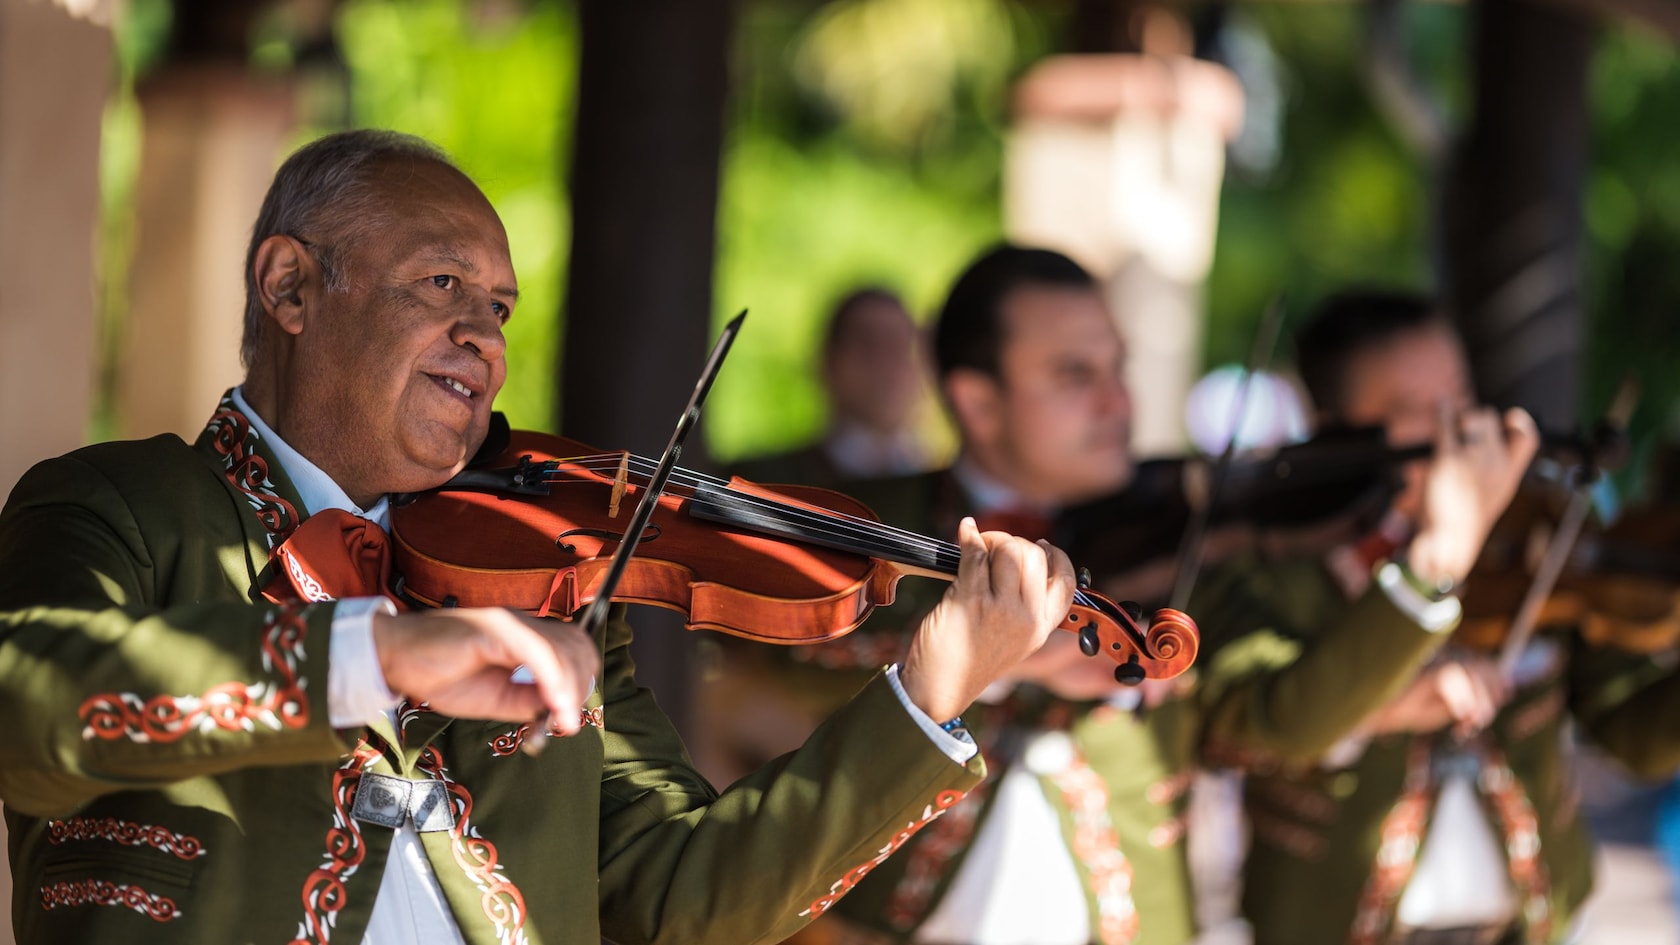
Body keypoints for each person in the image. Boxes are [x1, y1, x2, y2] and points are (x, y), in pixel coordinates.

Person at [0, 131, 1084, 945]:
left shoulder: (547, 591)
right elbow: (28, 707)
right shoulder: (121, 506)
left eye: (503, 308)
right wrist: (370, 657)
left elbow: (682, 898)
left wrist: (928, 693)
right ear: (290, 286)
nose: (486, 339)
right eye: (442, 286)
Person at [719, 246, 1537, 945]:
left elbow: (1284, 724)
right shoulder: (866, 521)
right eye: (1075, 375)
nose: (1118, 402)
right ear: (977, 400)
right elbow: (762, 665)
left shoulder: (1195, 539)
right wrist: (1005, 661)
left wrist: (1438, 556)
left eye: (1118, 367)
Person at [1215, 289, 1680, 945]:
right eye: (1413, 412)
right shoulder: (1276, 568)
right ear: (1334, 427)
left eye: (1460, 400)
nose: (1455, 432)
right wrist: (1440, 554)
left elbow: (1634, 733)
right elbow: (1275, 722)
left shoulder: (1543, 537)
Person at [735, 287, 935, 487]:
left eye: (900, 348)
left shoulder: (943, 489)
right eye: (867, 346)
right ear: (827, 361)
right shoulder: (760, 481)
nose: (886, 366)